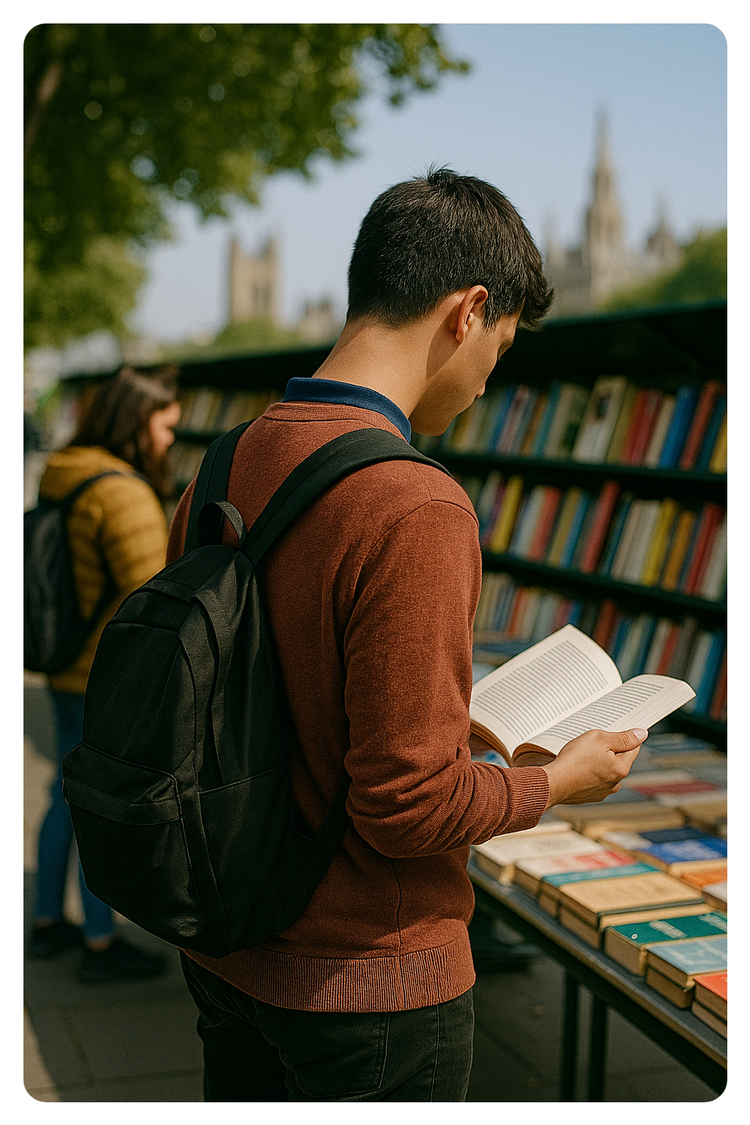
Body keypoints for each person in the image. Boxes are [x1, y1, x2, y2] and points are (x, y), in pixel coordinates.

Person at [168, 168, 644, 1101]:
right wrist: (557, 778)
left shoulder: (225, 459)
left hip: (225, 946)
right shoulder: (416, 501)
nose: (481, 384)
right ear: (468, 311)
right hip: (366, 982)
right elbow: (406, 809)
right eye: (500, 347)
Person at [27, 366, 182, 983]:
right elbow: (153, 595)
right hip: (101, 675)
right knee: (95, 804)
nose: (169, 440)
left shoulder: (65, 469)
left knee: (64, 793)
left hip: (64, 665)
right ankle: (97, 940)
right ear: (135, 421)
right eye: (164, 426)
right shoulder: (121, 492)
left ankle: (45, 921)